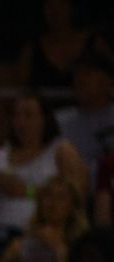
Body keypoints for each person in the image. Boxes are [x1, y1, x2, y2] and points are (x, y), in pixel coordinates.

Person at [0, 93, 86, 234]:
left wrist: (26, 191)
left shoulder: (60, 150)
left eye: (28, 116)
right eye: (16, 116)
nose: (20, 123)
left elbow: (77, 195)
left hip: (38, 233)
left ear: (44, 119)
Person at [19, 0, 113, 93]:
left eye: (61, 4)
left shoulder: (95, 43)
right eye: (49, 5)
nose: (55, 11)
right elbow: (19, 87)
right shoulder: (32, 49)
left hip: (91, 107)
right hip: (44, 107)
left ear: (71, 7)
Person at [55, 51, 114, 190]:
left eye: (88, 73)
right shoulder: (59, 121)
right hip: (73, 201)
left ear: (108, 80)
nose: (80, 80)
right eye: (76, 74)